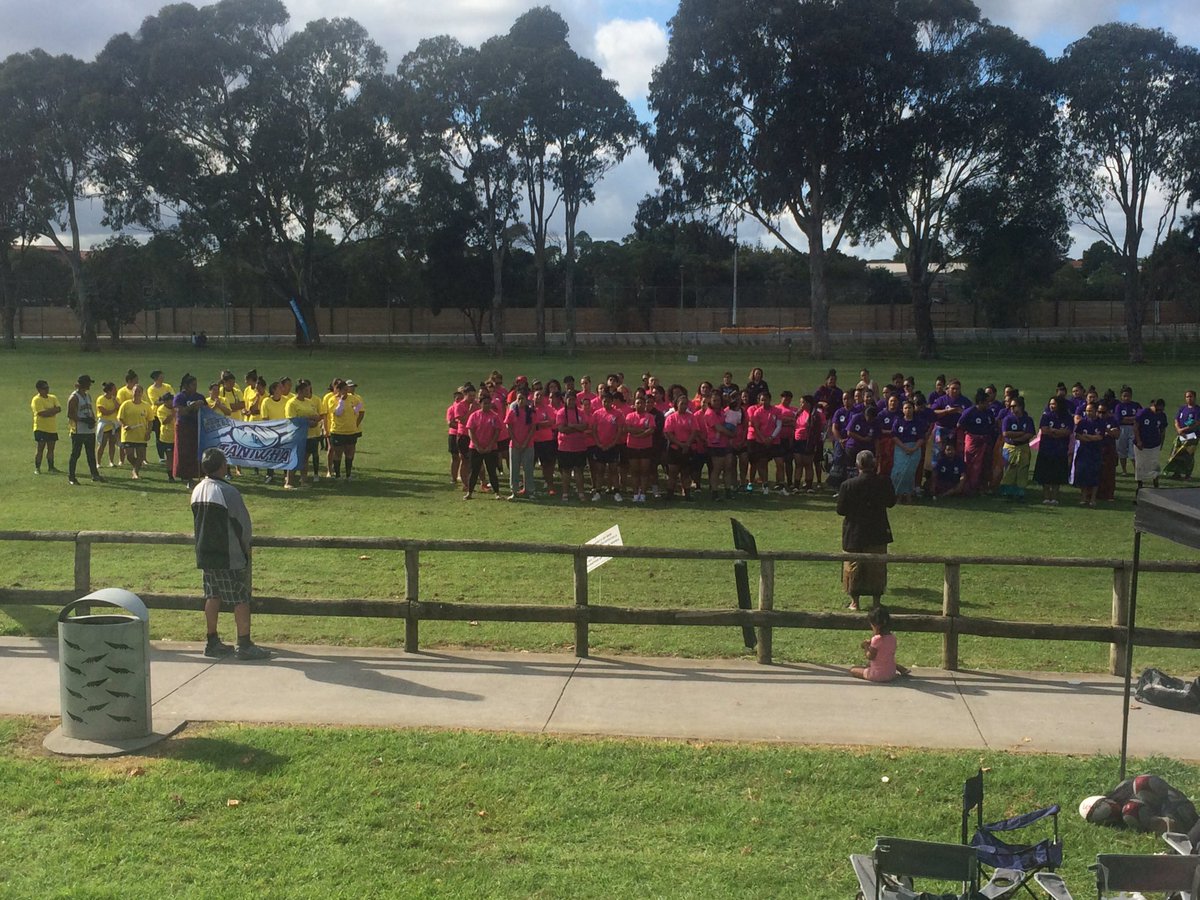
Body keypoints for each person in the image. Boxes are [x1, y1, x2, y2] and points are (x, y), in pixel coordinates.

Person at [191, 448, 270, 660]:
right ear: (222, 466)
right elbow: (242, 525)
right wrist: (245, 549)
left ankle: (212, 640)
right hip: (228, 553)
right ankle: (244, 643)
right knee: (240, 598)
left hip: (205, 552)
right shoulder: (228, 492)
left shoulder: (197, 489)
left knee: (212, 595)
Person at [836, 450, 895, 611]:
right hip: (877, 530)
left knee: (853, 566)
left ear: (857, 465)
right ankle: (876, 602)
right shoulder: (884, 482)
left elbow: (841, 510)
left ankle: (855, 602)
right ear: (873, 464)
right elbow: (891, 502)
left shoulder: (847, 485)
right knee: (877, 566)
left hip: (854, 532)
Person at [850, 605, 910, 682]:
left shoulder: (876, 640)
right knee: (882, 661)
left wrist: (866, 646)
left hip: (877, 675)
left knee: (853, 670)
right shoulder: (892, 638)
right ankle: (898, 669)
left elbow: (870, 657)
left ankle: (872, 673)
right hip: (891, 673)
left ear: (875, 625)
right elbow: (883, 650)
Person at [1033, 396, 1073, 506]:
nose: (1052, 406)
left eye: (1054, 404)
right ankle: (1046, 497)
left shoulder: (1067, 417)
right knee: (1045, 476)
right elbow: (1044, 430)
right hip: (1046, 450)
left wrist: (1053, 432)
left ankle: (1055, 497)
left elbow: (1067, 431)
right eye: (1050, 404)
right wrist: (1057, 432)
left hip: (1060, 450)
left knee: (1057, 476)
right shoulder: (1046, 416)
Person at [284, 380, 323, 489]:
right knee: (295, 458)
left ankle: (303, 480)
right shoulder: (292, 403)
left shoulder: (309, 402)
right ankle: (289, 482)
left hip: (310, 435)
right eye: (306, 390)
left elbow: (316, 415)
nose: (308, 391)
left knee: (305, 459)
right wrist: (307, 421)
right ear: (300, 391)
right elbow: (292, 419)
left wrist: (313, 421)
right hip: (297, 435)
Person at [66, 375, 103, 485]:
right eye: (88, 383)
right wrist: (84, 420)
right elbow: (70, 414)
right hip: (78, 431)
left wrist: (92, 420)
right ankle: (71, 477)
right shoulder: (74, 397)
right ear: (83, 384)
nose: (90, 385)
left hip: (89, 430)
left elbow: (89, 409)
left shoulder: (87, 396)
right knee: (75, 454)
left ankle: (95, 475)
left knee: (91, 454)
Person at [173, 374, 208, 488]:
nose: (195, 387)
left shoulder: (200, 397)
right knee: (185, 452)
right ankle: (187, 477)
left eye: (196, 385)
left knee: (196, 451)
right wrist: (192, 407)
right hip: (184, 427)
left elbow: (207, 412)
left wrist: (202, 407)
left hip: (196, 427)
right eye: (193, 385)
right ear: (186, 386)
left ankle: (200, 474)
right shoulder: (180, 397)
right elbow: (180, 411)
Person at [997, 395, 1035, 501]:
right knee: (1010, 469)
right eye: (1011, 406)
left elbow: (1030, 433)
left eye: (1014, 406)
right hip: (1010, 447)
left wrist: (1017, 437)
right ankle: (1007, 492)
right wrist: (1021, 434)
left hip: (1023, 447)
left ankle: (1020, 493)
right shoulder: (1007, 419)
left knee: (1022, 469)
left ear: (1021, 407)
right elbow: (1005, 433)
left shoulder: (1028, 419)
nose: (1012, 408)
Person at [327, 378, 365, 480]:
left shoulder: (353, 399)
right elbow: (337, 413)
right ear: (338, 390)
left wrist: (355, 412)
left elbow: (360, 409)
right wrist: (342, 401)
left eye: (346, 389)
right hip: (338, 431)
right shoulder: (332, 400)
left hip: (351, 431)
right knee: (338, 453)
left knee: (350, 453)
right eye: (344, 389)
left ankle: (348, 474)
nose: (346, 392)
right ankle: (338, 474)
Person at [504, 385, 537, 500]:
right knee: (514, 469)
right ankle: (514, 491)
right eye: (518, 399)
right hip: (514, 445)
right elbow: (509, 427)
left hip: (528, 445)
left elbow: (533, 428)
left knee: (528, 469)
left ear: (526, 400)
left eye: (522, 398)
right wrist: (515, 441)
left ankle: (530, 491)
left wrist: (525, 442)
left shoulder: (531, 413)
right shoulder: (512, 412)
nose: (520, 401)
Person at [117, 384, 153, 480]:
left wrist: (148, 432)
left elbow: (150, 420)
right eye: (135, 391)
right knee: (129, 455)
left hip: (141, 435)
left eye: (139, 392)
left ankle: (135, 472)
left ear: (142, 393)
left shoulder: (146, 406)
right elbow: (120, 418)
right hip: (128, 435)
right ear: (132, 392)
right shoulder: (126, 404)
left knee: (141, 455)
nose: (137, 393)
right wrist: (124, 425)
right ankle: (136, 467)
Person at [890, 399, 923, 503]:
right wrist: (904, 448)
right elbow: (894, 436)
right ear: (902, 410)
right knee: (898, 472)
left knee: (909, 473)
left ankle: (908, 494)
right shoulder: (898, 421)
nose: (908, 410)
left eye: (910, 408)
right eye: (905, 408)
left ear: (913, 409)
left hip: (914, 449)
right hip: (900, 449)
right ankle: (898, 495)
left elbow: (921, 438)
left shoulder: (918, 423)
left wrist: (913, 448)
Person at [1164, 389, 1200, 480]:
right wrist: (1178, 429)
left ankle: (1188, 475)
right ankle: (1177, 473)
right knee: (1177, 454)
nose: (1189, 398)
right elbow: (1176, 420)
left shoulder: (1197, 410)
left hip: (1192, 436)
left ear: (1195, 397)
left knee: (1188, 455)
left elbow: (1196, 423)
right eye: (1187, 396)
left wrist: (1183, 429)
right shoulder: (1182, 408)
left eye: (1191, 396)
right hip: (1181, 435)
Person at [1133, 399, 1166, 491]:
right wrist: (1139, 441)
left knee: (1154, 464)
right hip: (1141, 444)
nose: (1159, 412)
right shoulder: (1143, 413)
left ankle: (1156, 484)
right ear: (1153, 406)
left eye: (1161, 410)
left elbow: (1163, 430)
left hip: (1154, 444)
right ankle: (1140, 485)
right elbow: (1136, 427)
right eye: (1158, 409)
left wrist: (1161, 442)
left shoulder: (1162, 416)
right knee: (1140, 464)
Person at [31, 380, 62, 475]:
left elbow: (59, 409)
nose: (47, 390)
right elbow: (42, 413)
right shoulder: (36, 400)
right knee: (40, 448)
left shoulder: (53, 397)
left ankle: (51, 467)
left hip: (52, 428)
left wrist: (49, 411)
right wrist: (52, 411)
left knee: (51, 449)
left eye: (47, 388)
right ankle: (37, 468)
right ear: (39, 389)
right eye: (44, 388)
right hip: (41, 428)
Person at [96, 382, 121, 468]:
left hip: (113, 424)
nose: (116, 390)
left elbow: (119, 408)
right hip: (105, 424)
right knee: (102, 444)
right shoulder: (101, 399)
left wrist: (115, 402)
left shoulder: (114, 399)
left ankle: (111, 461)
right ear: (109, 390)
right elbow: (104, 412)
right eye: (114, 389)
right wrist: (114, 409)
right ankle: (98, 462)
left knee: (112, 443)